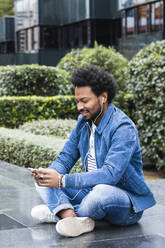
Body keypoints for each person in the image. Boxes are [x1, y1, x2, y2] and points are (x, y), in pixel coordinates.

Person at [30, 64, 156, 237]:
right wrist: (49, 175)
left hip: (124, 201)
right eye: (77, 101)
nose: (79, 107)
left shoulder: (122, 127)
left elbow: (110, 174)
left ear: (103, 97)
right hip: (90, 191)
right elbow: (66, 158)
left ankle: (59, 212)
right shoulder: (83, 122)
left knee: (100, 194)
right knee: (43, 183)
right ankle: (71, 217)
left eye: (84, 101)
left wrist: (62, 181)